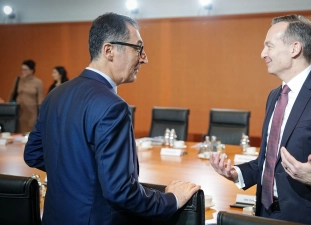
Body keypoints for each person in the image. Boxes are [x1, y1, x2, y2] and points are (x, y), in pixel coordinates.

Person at [24, 13, 200, 225]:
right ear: (109, 50)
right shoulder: (113, 107)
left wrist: (78, 173)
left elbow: (34, 154)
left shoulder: (55, 95)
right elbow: (121, 191)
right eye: (138, 48)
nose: (144, 58)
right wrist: (171, 200)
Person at [210, 14, 311, 225]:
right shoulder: (274, 96)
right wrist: (237, 173)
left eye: (269, 46)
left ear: (294, 48)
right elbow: (269, 161)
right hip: (266, 214)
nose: (263, 54)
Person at [8, 59, 44, 132]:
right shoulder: (18, 79)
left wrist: (41, 114)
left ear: (31, 70)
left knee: (30, 132)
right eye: (22, 70)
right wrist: (8, 107)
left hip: (31, 112)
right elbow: (12, 93)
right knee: (17, 131)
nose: (23, 72)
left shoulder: (38, 82)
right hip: (19, 111)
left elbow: (40, 99)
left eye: (25, 70)